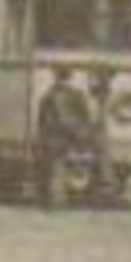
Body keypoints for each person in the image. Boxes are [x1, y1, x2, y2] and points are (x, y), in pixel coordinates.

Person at [36, 65, 93, 209]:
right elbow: (85, 116)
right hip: (74, 137)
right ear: (70, 76)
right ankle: (61, 198)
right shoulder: (77, 94)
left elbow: (42, 120)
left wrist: (43, 136)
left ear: (55, 76)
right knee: (69, 167)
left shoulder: (48, 95)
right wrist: (82, 135)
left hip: (53, 138)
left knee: (54, 168)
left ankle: (55, 199)